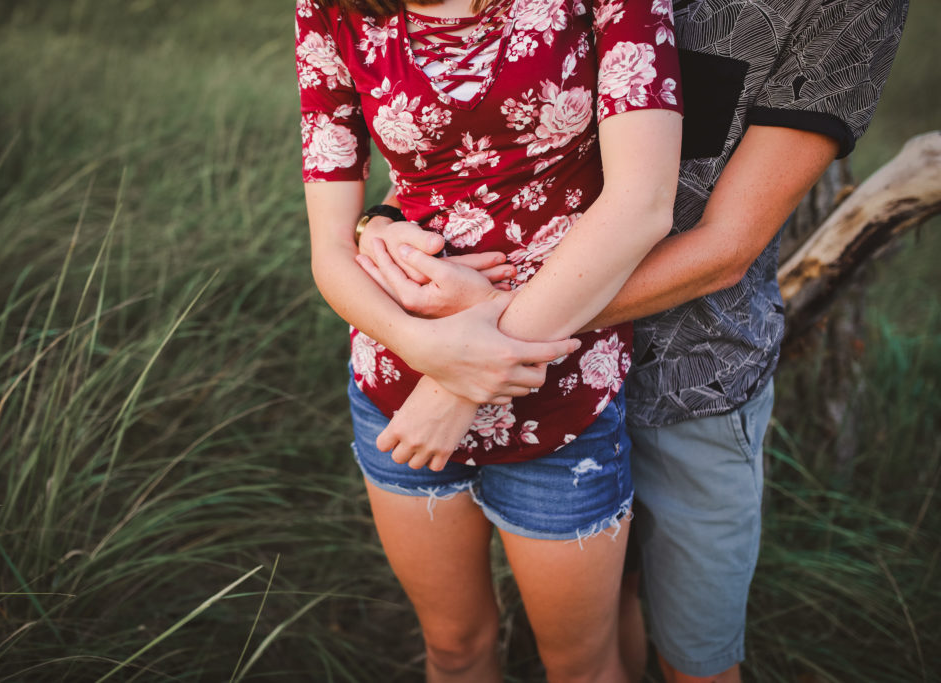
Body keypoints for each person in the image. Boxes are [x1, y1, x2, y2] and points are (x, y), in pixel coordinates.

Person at [356, 0, 910, 680]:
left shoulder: (849, 9)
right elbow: (496, 128)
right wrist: (380, 220)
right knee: (596, 630)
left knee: (695, 657)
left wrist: (494, 328)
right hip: (544, 380)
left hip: (692, 375)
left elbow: (725, 249)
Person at [296, 0, 684, 679]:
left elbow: (642, 203)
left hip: (560, 393)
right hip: (398, 386)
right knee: (453, 646)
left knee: (580, 665)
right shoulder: (330, 8)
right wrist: (422, 350)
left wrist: (454, 383)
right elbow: (329, 247)